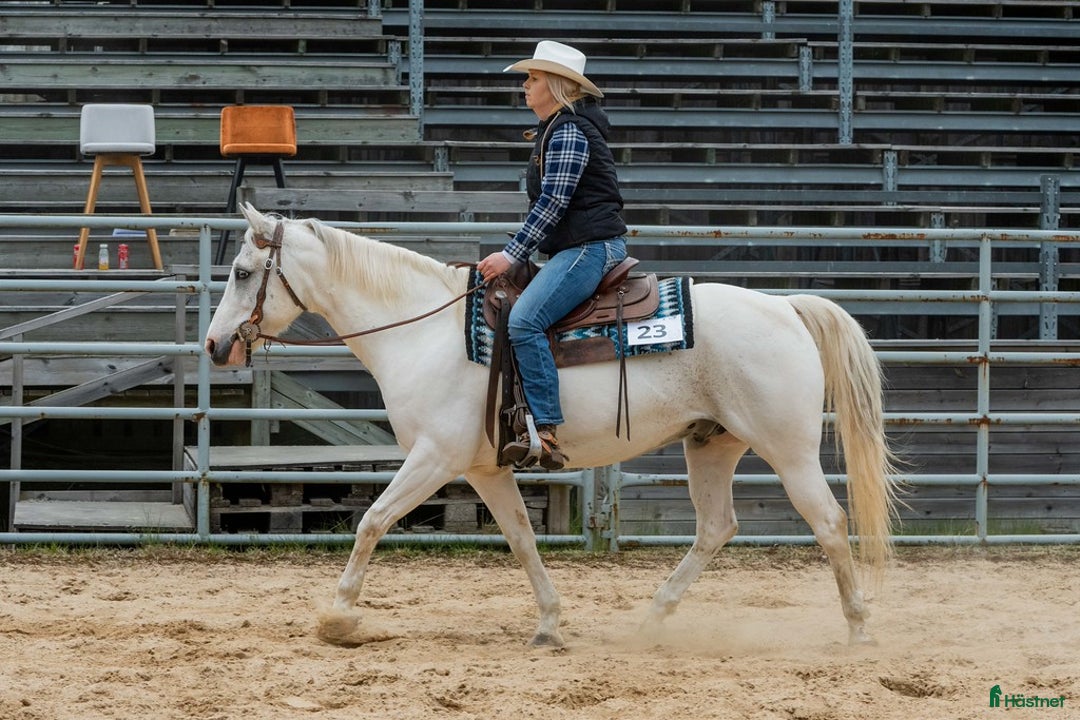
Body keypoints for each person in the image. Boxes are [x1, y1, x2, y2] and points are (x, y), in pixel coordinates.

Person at [477, 40, 629, 471]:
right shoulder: (562, 128)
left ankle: (544, 430)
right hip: (578, 245)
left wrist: (511, 254)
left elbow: (553, 203)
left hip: (590, 248)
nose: (524, 86)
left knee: (524, 321)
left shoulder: (568, 131)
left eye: (533, 78)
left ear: (558, 86)